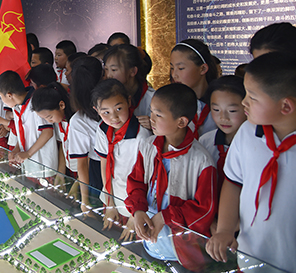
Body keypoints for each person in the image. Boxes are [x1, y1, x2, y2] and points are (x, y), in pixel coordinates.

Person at [206, 52, 296, 272]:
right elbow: (233, 182)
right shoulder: (247, 132)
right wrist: (225, 229)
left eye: (252, 97)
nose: (244, 101)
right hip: (251, 256)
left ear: (286, 106)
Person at [125, 83, 216, 270]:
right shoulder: (148, 146)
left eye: (158, 115)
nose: (151, 119)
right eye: (151, 112)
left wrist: (166, 217)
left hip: (181, 252)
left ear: (181, 122)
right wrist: (138, 210)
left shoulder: (201, 161)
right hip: (150, 243)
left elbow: (204, 210)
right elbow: (136, 182)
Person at [93, 79, 151, 241]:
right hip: (112, 196)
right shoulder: (102, 129)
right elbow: (104, 164)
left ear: (129, 102)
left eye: (119, 108)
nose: (114, 117)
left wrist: (135, 214)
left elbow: (146, 178)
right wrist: (110, 202)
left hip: (135, 205)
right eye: (106, 112)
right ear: (97, 110)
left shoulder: (141, 136)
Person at [0, 70, 56, 178]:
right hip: (29, 163)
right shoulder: (16, 107)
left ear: (9, 95)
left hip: (43, 164)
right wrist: (17, 148)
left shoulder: (37, 102)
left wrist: (28, 153)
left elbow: (48, 132)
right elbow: (23, 133)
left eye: (1, 96)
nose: (2, 100)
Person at [67, 56, 103, 212]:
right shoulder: (116, 107)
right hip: (113, 168)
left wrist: (85, 201)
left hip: (98, 171)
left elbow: (81, 164)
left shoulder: (78, 120)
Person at [199, 76, 246, 187]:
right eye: (216, 110)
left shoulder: (254, 144)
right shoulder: (205, 141)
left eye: (232, 111)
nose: (223, 117)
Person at [170, 39, 218, 137]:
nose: (174, 74)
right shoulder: (170, 102)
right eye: (172, 68)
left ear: (203, 69)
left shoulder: (218, 100)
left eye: (181, 68)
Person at [103, 44, 154, 130]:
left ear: (133, 71)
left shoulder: (152, 98)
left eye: (114, 70)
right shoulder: (105, 96)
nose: (108, 75)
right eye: (106, 69)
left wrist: (154, 126)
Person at [32, 82, 75, 181]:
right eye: (45, 119)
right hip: (71, 168)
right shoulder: (60, 121)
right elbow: (63, 145)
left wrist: (78, 181)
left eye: (50, 117)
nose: (49, 121)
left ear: (61, 105)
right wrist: (60, 174)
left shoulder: (76, 122)